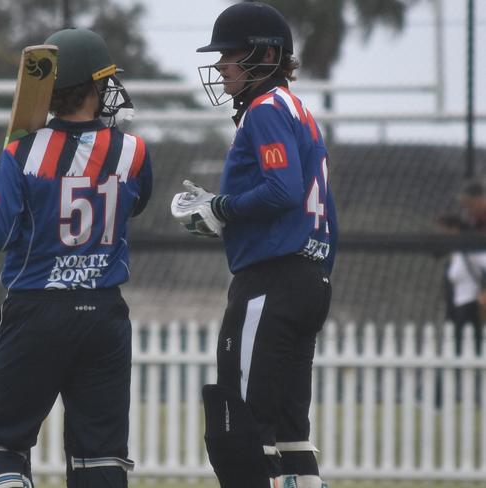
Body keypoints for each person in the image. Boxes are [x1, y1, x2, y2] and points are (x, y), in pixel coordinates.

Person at [0, 28, 153, 488]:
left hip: (36, 310)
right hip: (105, 315)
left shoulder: (21, 154)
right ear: (92, 86)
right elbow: (136, 202)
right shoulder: (134, 151)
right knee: (101, 459)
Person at [171, 3, 337, 488]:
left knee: (240, 426)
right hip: (309, 277)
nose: (222, 64)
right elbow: (307, 199)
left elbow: (283, 190)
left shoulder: (264, 111)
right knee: (290, 431)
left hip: (273, 280)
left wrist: (221, 209)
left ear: (265, 56)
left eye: (231, 54)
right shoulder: (297, 109)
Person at [438, 179, 486, 355]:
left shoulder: (475, 233)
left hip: (471, 297)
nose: (467, 209)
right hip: (459, 297)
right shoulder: (471, 224)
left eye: (469, 204)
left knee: (469, 338)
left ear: (480, 199)